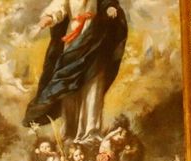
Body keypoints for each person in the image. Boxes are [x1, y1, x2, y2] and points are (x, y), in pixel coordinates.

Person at [23, 0, 128, 143]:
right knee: (68, 86)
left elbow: (108, 2)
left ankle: (91, 132)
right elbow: (59, 7)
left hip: (96, 38)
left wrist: (110, 8)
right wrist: (45, 20)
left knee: (93, 85)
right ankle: (69, 132)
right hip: (73, 41)